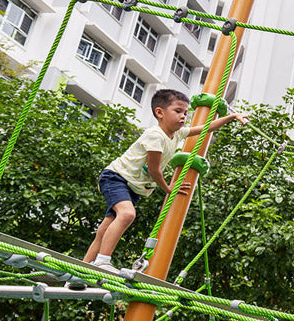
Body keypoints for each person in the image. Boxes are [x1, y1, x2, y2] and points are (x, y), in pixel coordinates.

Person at [82, 88, 246, 270]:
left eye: (185, 113)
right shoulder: (155, 135)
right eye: (178, 111)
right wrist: (168, 188)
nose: (183, 117)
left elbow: (206, 128)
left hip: (133, 186)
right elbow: (153, 169)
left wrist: (232, 117)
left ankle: (81, 268)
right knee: (127, 214)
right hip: (117, 178)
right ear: (159, 112)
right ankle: (103, 261)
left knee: (105, 229)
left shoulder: (178, 134)